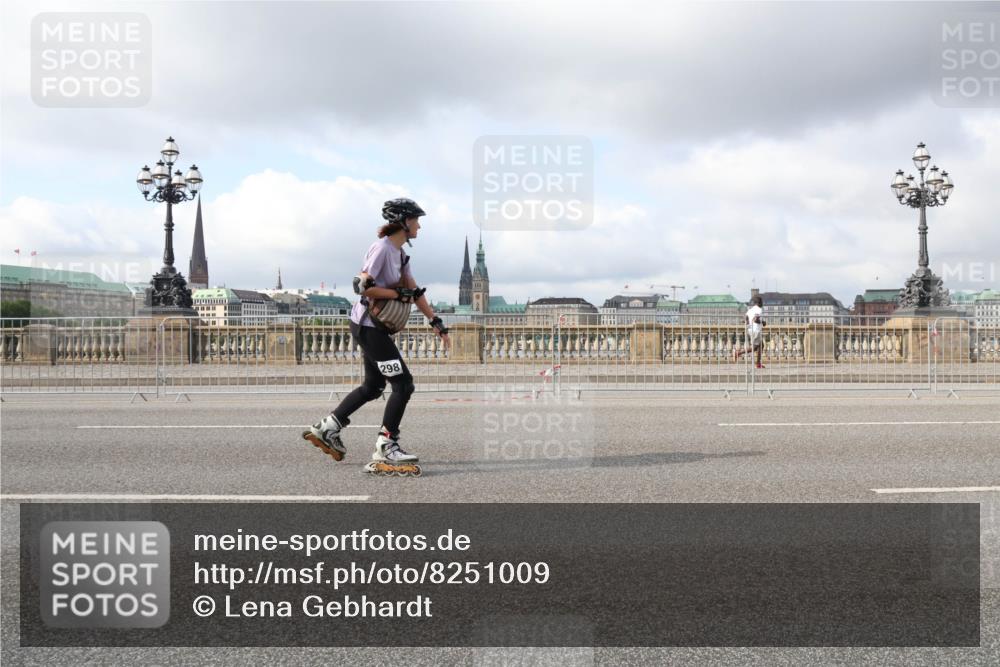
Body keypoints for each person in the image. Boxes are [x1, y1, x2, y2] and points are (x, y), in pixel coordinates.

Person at [302, 198, 450, 476]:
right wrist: (396, 294)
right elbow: (363, 287)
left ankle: (328, 428)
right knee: (403, 384)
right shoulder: (382, 249)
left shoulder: (401, 255)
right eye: (416, 220)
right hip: (368, 326)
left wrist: (436, 322)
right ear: (404, 222)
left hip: (375, 328)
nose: (419, 225)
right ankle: (386, 444)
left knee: (373, 387)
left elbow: (415, 292)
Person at [734, 294, 765, 368]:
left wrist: (747, 322)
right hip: (756, 330)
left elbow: (745, 319)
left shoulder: (750, 310)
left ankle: (758, 363)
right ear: (760, 302)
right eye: (762, 302)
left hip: (750, 330)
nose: (762, 304)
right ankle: (738, 353)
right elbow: (756, 319)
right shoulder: (759, 310)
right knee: (756, 347)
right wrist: (763, 322)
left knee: (760, 346)